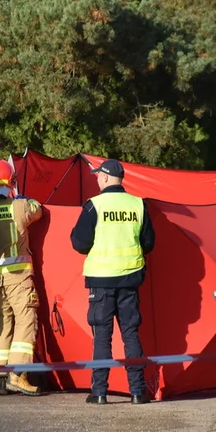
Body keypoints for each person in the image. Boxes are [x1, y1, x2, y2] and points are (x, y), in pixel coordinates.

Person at [69, 158, 155, 405]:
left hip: (102, 281)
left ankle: (99, 392)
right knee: (131, 334)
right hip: (130, 279)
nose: (96, 178)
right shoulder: (138, 205)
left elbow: (79, 243)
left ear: (106, 177)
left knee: (102, 336)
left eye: (98, 175)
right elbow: (149, 243)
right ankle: (138, 392)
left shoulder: (94, 206)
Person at [0, 158, 45, 396]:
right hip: (17, 276)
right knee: (26, 320)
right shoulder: (19, 206)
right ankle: (18, 375)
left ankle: (0, 376)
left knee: (1, 324)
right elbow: (38, 210)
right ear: (11, 183)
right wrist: (22, 197)